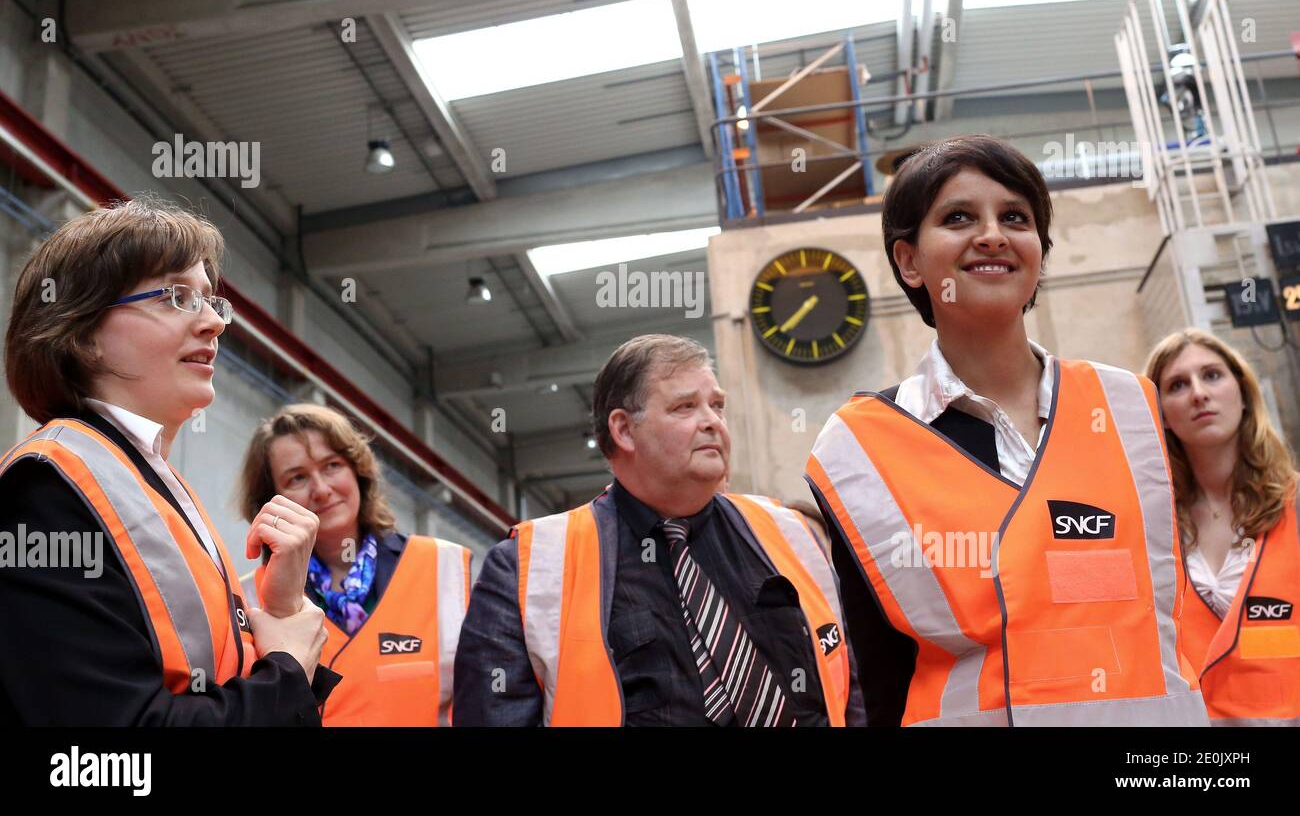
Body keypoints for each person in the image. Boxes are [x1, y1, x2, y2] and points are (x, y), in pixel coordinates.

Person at [804, 134, 1208, 726]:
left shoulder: (1130, 405)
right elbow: (875, 672)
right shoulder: (857, 448)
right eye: (959, 217)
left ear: (1039, 251)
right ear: (909, 261)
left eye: (1014, 217)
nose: (992, 234)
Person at [0, 197, 337, 724]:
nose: (213, 324)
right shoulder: (46, 489)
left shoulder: (154, 488)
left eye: (210, 301)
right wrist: (287, 671)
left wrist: (279, 618)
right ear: (83, 333)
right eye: (177, 297)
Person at [453, 334, 863, 726]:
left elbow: (855, 685)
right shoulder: (530, 568)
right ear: (624, 429)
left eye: (717, 406)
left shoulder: (793, 534)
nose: (712, 423)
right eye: (685, 407)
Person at [237, 403, 472, 726]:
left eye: (332, 465)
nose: (321, 490)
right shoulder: (249, 597)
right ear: (271, 498)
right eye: (297, 478)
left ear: (358, 470)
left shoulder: (444, 567)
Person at [1145, 328, 1300, 725]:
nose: (1198, 393)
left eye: (1212, 375)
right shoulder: (1150, 524)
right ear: (1159, 412)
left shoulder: (1294, 505)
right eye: (1178, 384)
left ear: (1244, 393)